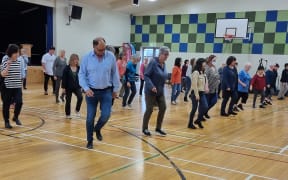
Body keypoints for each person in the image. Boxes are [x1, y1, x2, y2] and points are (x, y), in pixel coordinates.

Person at [79, 37, 120, 149]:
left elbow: (115, 73)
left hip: (106, 91)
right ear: (94, 47)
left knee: (106, 115)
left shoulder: (110, 56)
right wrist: (86, 88)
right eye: (99, 50)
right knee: (90, 118)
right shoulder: (86, 58)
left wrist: (116, 89)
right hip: (91, 92)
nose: (102, 52)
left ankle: (97, 128)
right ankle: (90, 140)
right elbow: (81, 75)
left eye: (104, 50)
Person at [142, 46, 169, 136]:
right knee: (149, 109)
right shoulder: (153, 62)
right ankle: (145, 128)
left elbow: (163, 75)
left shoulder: (164, 64)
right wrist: (151, 86)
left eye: (167, 55)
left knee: (163, 107)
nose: (166, 56)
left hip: (160, 91)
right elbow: (146, 75)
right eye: (165, 54)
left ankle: (158, 128)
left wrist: (167, 79)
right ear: (160, 54)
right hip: (151, 91)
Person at [0, 44, 23, 129]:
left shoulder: (19, 60)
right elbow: (3, 74)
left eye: (17, 53)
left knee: (20, 102)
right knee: (6, 104)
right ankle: (6, 121)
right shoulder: (5, 60)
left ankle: (15, 117)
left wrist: (21, 84)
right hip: (7, 86)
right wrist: (8, 65)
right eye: (15, 53)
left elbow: (20, 74)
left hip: (17, 85)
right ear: (11, 53)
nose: (17, 54)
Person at [188, 58, 208, 129]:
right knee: (194, 108)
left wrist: (206, 88)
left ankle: (198, 120)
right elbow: (194, 84)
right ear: (200, 63)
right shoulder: (195, 72)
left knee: (205, 107)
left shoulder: (202, 72)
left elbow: (205, 81)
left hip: (202, 93)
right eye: (204, 62)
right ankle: (190, 123)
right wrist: (196, 94)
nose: (205, 64)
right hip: (195, 93)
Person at [62, 54, 83, 119]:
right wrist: (63, 88)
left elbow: (82, 77)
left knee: (80, 97)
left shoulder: (79, 68)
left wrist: (82, 85)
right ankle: (68, 114)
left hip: (77, 87)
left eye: (77, 59)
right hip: (68, 87)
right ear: (71, 60)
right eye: (75, 59)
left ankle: (77, 110)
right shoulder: (67, 68)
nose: (76, 61)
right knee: (68, 101)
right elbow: (64, 78)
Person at [204, 55, 220, 119]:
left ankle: (205, 111)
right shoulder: (206, 68)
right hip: (208, 88)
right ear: (210, 60)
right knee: (207, 102)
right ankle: (204, 112)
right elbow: (205, 77)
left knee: (214, 101)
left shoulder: (215, 67)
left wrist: (218, 79)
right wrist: (206, 87)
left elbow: (218, 75)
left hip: (215, 88)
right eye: (214, 60)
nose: (215, 61)